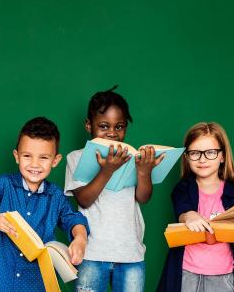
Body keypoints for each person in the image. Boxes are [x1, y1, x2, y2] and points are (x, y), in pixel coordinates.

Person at [0, 117, 89, 292]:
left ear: (55, 161)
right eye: (27, 156)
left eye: (43, 158)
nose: (35, 164)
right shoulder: (1, 185)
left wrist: (80, 239)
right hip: (0, 280)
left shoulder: (55, 195)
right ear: (16, 156)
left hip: (38, 283)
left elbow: (73, 219)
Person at [65, 86, 164, 292]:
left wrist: (144, 172)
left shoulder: (133, 158)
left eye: (119, 127)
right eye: (103, 126)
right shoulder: (75, 158)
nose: (112, 133)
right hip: (91, 254)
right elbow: (84, 199)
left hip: (130, 254)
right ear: (88, 126)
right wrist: (107, 170)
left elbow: (143, 197)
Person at [157, 122, 234, 292]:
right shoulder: (183, 188)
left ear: (222, 156)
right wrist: (189, 215)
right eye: (195, 153)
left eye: (210, 152)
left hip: (224, 277)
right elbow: (182, 209)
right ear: (187, 157)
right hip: (186, 273)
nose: (202, 159)